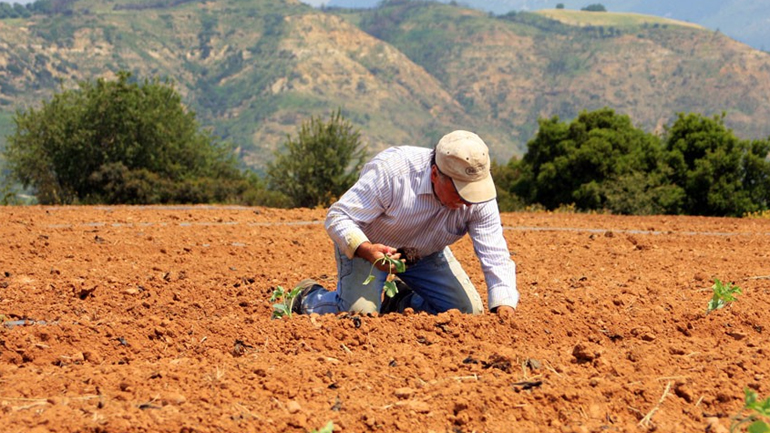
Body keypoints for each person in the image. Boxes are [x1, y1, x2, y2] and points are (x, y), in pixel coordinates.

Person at [293, 130, 518, 318]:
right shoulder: (393, 171)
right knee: (360, 314)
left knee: (466, 312)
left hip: (424, 253)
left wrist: (504, 304)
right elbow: (339, 216)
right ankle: (307, 298)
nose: (468, 200)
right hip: (370, 248)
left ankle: (401, 300)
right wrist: (367, 250)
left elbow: (494, 253)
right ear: (434, 174)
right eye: (460, 191)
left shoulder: (479, 196)